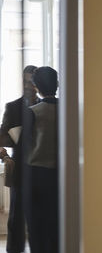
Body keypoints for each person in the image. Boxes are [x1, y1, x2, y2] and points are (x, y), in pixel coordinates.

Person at [0, 65, 38, 253]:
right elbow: (1, 137)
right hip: (19, 170)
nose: (29, 86)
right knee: (16, 218)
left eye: (32, 82)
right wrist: (5, 156)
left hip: (40, 169)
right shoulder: (12, 107)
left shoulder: (45, 106)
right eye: (25, 81)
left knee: (38, 219)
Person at [24, 66, 59, 253]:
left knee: (37, 227)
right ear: (58, 84)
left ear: (36, 87)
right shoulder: (69, 111)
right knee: (58, 224)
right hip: (62, 174)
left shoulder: (32, 112)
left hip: (37, 175)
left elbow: (24, 147)